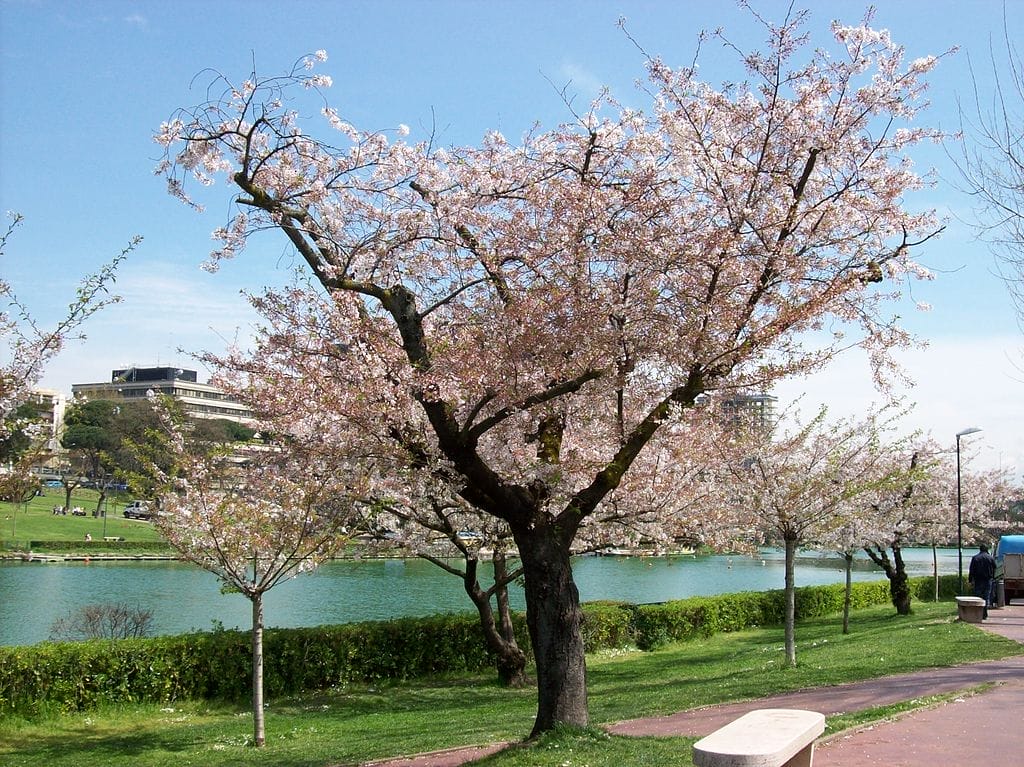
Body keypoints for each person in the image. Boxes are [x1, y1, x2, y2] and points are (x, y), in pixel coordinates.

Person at [969, 543, 997, 619]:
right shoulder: (990, 558)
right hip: (988, 580)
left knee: (978, 597)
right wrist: (993, 577)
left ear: (980, 549)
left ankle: (978, 613)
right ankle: (985, 614)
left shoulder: (975, 558)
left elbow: (971, 570)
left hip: (978, 580)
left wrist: (970, 580)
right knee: (986, 597)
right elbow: (995, 567)